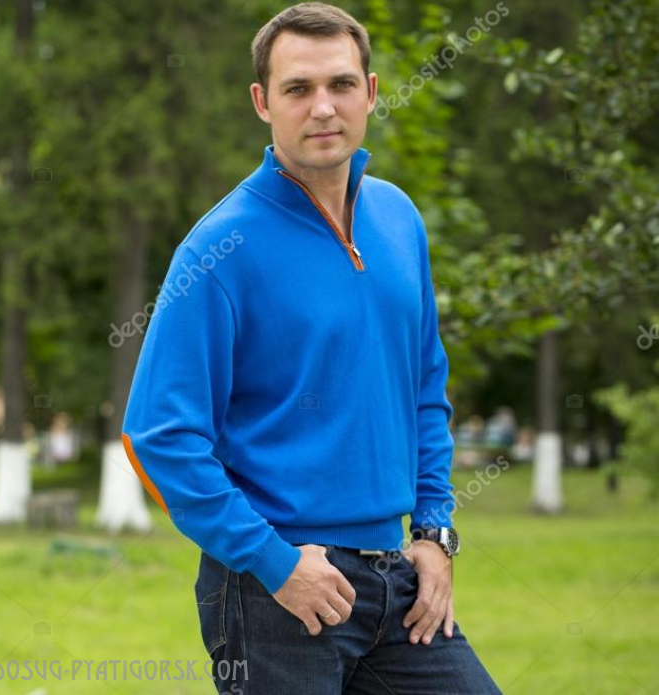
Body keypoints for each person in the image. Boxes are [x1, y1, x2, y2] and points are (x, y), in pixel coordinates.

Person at [120, 3, 502, 693]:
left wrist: (434, 532)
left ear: (371, 92)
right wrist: (275, 562)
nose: (323, 107)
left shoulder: (399, 218)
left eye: (341, 84)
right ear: (262, 103)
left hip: (398, 580)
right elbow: (158, 436)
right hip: (275, 589)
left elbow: (423, 390)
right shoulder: (218, 249)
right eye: (298, 88)